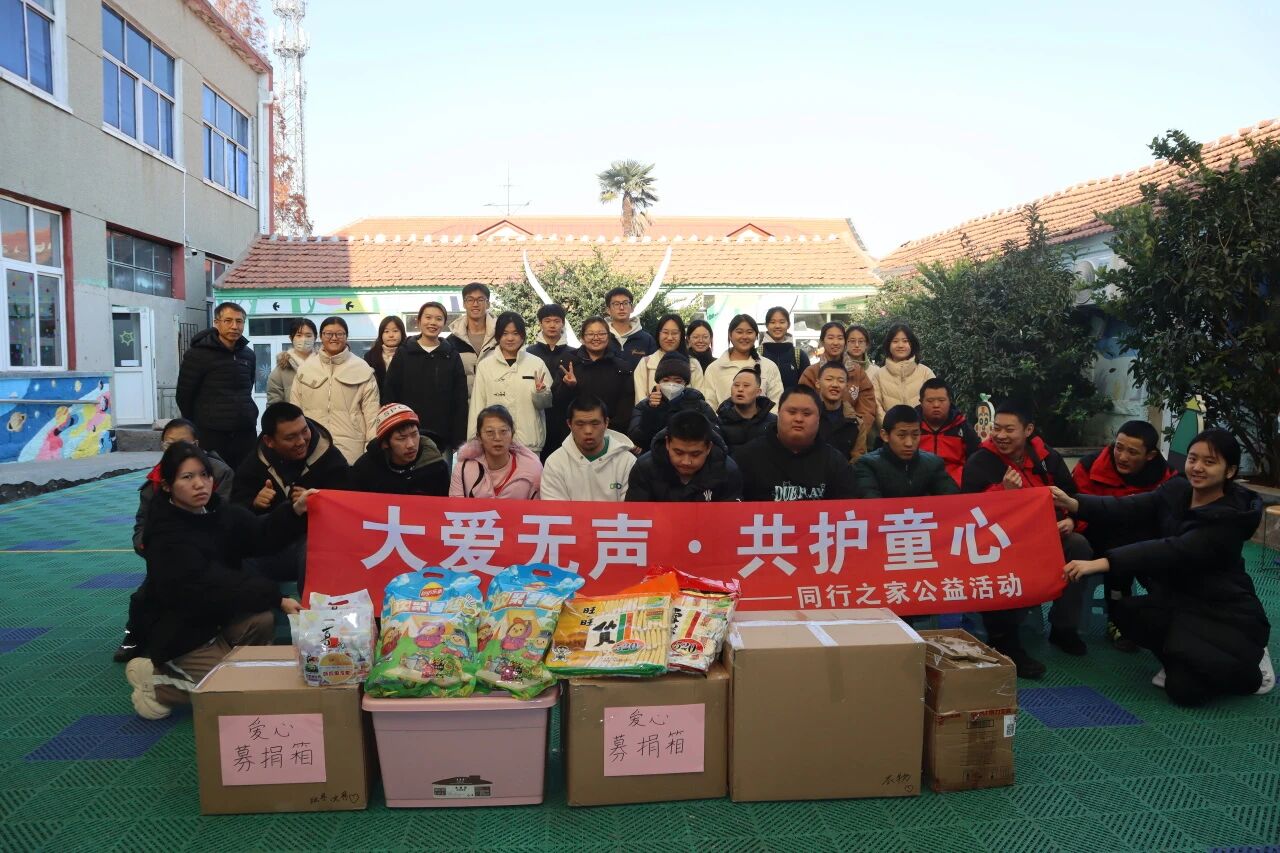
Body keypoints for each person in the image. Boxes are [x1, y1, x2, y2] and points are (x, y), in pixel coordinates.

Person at [1054, 429, 1274, 705]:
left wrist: (1100, 562)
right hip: (1179, 599)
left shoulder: (1229, 518)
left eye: (1209, 462)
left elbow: (1172, 549)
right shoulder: (1178, 489)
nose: (1197, 467)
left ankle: (1253, 663)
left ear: (1229, 471)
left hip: (1223, 611)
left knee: (1184, 693)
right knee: (1126, 612)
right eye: (1193, 458)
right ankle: (1183, 657)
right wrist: (1074, 503)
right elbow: (1130, 506)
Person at [124, 443, 311, 720]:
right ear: (167, 486)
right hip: (182, 636)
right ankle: (159, 684)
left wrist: (295, 511)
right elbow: (214, 584)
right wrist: (277, 597)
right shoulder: (165, 535)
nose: (200, 484)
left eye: (204, 474)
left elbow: (260, 535)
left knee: (261, 621)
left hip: (217, 621)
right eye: (187, 477)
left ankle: (215, 668)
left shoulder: (217, 512)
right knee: (234, 692)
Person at [962, 400, 1093, 677]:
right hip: (1001, 542)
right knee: (995, 558)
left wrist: (1072, 520)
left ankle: (1063, 627)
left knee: (1079, 546)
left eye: (1009, 429)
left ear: (1028, 430)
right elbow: (969, 514)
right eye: (996, 428)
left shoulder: (1046, 457)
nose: (1000, 435)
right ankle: (1005, 642)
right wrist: (1004, 492)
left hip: (1046, 535)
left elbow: (1072, 496)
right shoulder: (980, 461)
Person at [117, 419, 235, 663]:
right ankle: (134, 636)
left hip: (213, 552)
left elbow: (227, 519)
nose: (198, 483)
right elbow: (142, 525)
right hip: (171, 555)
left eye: (183, 444)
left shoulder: (220, 472)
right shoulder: (156, 480)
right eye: (169, 444)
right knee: (146, 595)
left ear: (197, 445)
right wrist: (151, 547)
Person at [1070, 420, 1178, 652]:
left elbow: (1168, 518)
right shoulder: (1088, 467)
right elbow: (1076, 511)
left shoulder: (1168, 477)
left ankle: (1171, 615)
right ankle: (1118, 619)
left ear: (1150, 455)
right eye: (1118, 448)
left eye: (1132, 452)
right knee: (1121, 549)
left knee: (1164, 561)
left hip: (1145, 541)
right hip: (1097, 538)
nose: (1122, 457)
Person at [231, 403, 348, 586]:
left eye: (304, 431)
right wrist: (253, 503)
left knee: (313, 550)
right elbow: (234, 512)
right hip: (271, 548)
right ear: (269, 441)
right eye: (290, 437)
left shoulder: (330, 457)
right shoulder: (254, 463)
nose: (301, 441)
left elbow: (348, 504)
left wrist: (320, 501)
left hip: (314, 545)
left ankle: (309, 604)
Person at [735, 386, 857, 501]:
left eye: (807, 414)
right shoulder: (747, 457)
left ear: (819, 418)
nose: (798, 419)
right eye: (792, 412)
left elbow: (848, 508)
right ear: (778, 413)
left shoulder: (835, 462)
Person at [175, 301, 257, 469]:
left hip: (244, 432)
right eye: (228, 321)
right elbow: (184, 396)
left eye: (239, 321)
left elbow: (247, 387)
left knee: (245, 477)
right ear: (216, 323)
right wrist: (198, 424)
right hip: (211, 434)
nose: (234, 326)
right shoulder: (197, 354)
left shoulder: (248, 355)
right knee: (215, 477)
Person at [289, 316, 381, 464]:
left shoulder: (362, 369)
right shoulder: (306, 369)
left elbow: (372, 415)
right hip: (312, 447)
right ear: (320, 336)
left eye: (339, 334)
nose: (334, 338)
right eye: (328, 334)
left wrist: (371, 450)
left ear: (346, 336)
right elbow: (295, 410)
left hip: (352, 449)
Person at [383, 301, 469, 453]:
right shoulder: (404, 353)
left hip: (442, 437)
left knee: (439, 469)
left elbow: (460, 399)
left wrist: (458, 438)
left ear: (444, 323)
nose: (433, 322)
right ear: (419, 321)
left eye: (438, 319)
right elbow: (390, 393)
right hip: (406, 434)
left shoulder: (451, 355)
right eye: (428, 317)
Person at [467, 312, 552, 453]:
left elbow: (545, 404)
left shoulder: (536, 363)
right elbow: (477, 405)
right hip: (495, 443)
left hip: (529, 443)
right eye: (505, 333)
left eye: (515, 333)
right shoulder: (485, 366)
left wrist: (541, 393)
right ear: (498, 336)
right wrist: (473, 440)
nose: (510, 338)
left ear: (522, 335)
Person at [627, 410, 742, 502]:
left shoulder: (727, 470)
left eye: (695, 454)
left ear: (708, 448)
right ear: (667, 443)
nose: (686, 462)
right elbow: (636, 515)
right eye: (678, 453)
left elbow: (731, 518)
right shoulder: (645, 468)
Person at [541, 395, 637, 502]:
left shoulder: (627, 462)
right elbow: (554, 510)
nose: (588, 431)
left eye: (595, 423)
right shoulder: (555, 463)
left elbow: (631, 509)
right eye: (580, 424)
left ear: (606, 423)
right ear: (569, 424)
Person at [853, 405, 959, 499]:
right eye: (901, 435)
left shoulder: (932, 463)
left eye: (915, 435)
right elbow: (870, 504)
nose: (909, 443)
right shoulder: (867, 465)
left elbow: (953, 500)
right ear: (885, 435)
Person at [348, 403, 449, 496]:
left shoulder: (435, 464)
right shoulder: (365, 469)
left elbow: (443, 504)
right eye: (401, 438)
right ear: (385, 443)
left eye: (414, 434)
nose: (411, 444)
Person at [554, 316, 634, 431]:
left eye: (601, 334)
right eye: (590, 334)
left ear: (608, 337)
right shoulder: (569, 363)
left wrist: (607, 430)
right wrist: (568, 387)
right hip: (575, 431)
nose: (596, 338)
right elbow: (557, 401)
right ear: (582, 338)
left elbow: (626, 405)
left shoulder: (621, 367)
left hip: (611, 432)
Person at [628, 352, 720, 451]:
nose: (671, 384)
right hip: (656, 455)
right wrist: (651, 410)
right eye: (666, 380)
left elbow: (715, 435)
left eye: (678, 381)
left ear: (685, 383)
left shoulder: (699, 405)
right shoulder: (644, 406)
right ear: (658, 382)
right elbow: (638, 439)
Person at [451, 405, 544, 499]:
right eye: (490, 432)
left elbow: (537, 507)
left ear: (512, 434)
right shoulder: (463, 469)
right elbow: (456, 505)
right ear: (479, 437)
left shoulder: (531, 471)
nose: (497, 438)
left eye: (503, 431)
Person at [798, 322, 876, 431]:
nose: (835, 342)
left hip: (852, 433)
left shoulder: (857, 371)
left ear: (845, 342)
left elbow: (867, 407)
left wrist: (857, 431)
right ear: (822, 342)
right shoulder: (811, 373)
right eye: (830, 338)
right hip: (817, 433)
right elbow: (802, 405)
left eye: (840, 338)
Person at [527, 303, 577, 462]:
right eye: (547, 321)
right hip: (535, 416)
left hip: (564, 418)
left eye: (556, 321)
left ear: (563, 323)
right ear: (540, 323)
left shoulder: (574, 354)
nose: (552, 325)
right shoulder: (528, 353)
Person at [702, 314, 784, 409]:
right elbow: (709, 404)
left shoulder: (769, 366)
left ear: (756, 335)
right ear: (730, 335)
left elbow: (777, 402)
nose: (744, 337)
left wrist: (766, 419)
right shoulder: (714, 368)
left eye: (749, 332)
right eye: (739, 332)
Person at [917, 377, 981, 486]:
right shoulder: (911, 425)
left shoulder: (962, 426)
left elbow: (977, 457)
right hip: (918, 484)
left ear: (950, 401)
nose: (936, 405)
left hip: (956, 485)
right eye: (930, 401)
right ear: (921, 402)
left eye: (941, 400)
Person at [872, 322, 936, 423]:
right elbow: (876, 406)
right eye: (895, 341)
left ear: (912, 344)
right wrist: (890, 427)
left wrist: (921, 428)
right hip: (891, 431)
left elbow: (934, 402)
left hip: (921, 430)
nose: (900, 345)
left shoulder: (926, 373)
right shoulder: (879, 375)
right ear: (888, 345)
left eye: (905, 341)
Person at [633, 314, 706, 402]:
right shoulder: (645, 364)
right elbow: (640, 402)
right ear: (658, 334)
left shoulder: (693, 365)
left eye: (674, 333)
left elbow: (699, 400)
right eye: (665, 332)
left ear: (681, 335)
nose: (670, 337)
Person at [813, 361, 870, 462]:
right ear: (818, 383)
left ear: (847, 386)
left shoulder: (856, 423)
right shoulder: (809, 417)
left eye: (841, 381)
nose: (835, 385)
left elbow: (858, 459)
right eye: (829, 379)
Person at [448, 281, 498, 392]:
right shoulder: (452, 341)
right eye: (470, 300)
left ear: (488, 304)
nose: (475, 304)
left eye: (480, 299)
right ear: (464, 304)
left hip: (494, 400)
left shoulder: (500, 337)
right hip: (464, 401)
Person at [717, 366, 777, 457]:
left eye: (746, 385)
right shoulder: (720, 422)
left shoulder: (773, 422)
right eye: (736, 385)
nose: (740, 389)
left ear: (758, 392)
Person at [604, 286, 657, 369]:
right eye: (616, 304)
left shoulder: (647, 340)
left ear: (632, 308)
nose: (621, 308)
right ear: (608, 310)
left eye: (625, 303)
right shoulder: (600, 337)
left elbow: (654, 370)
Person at [266, 318, 316, 404]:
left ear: (315, 337)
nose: (304, 339)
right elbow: (274, 405)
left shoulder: (324, 365)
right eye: (299, 335)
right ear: (291, 338)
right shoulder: (280, 372)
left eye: (308, 336)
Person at [760, 306, 808, 389]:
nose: (777, 326)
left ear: (788, 325)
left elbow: (806, 388)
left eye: (782, 322)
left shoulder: (799, 355)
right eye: (772, 322)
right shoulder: (757, 353)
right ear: (766, 325)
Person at [364, 315, 407, 391]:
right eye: (386, 331)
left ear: (402, 333)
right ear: (381, 334)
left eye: (395, 331)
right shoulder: (370, 356)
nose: (391, 335)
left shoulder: (409, 354)